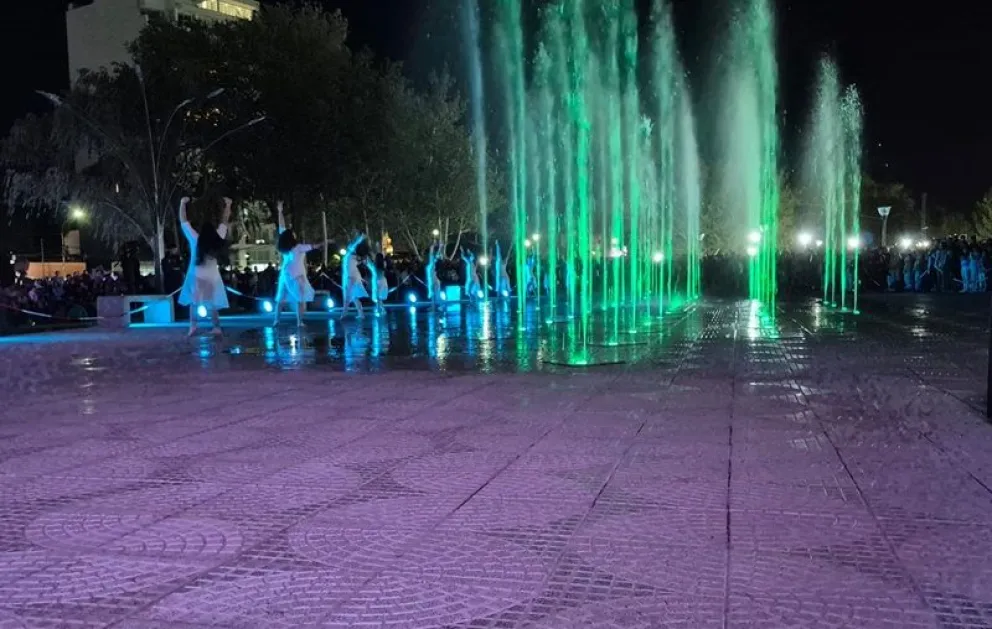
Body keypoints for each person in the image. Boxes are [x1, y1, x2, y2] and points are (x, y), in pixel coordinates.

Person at [178, 196, 231, 337]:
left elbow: (184, 222)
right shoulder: (218, 238)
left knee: (194, 302)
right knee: (213, 303)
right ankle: (217, 327)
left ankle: (193, 327)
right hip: (212, 276)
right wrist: (228, 205)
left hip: (197, 275)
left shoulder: (196, 239)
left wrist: (182, 204)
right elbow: (224, 221)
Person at [272, 201, 323, 327]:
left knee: (281, 299)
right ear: (292, 237)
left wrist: (279, 211)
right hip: (297, 276)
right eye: (293, 233)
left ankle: (276, 320)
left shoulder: (286, 248)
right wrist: (324, 242)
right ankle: (299, 322)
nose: (295, 234)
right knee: (300, 298)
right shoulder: (299, 247)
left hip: (285, 274)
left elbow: (281, 227)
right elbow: (313, 246)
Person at [340, 233, 368, 318]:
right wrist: (361, 279)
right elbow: (354, 268)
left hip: (351, 277)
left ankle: (344, 314)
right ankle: (361, 314)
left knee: (348, 296)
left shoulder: (351, 255)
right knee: (354, 296)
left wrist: (360, 238)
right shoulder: (353, 257)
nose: (349, 246)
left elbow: (354, 244)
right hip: (352, 277)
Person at [367, 250, 389, 316]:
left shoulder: (374, 265)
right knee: (380, 297)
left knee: (378, 297)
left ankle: (379, 310)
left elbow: (369, 264)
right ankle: (382, 309)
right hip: (383, 280)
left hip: (376, 281)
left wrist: (368, 257)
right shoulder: (384, 264)